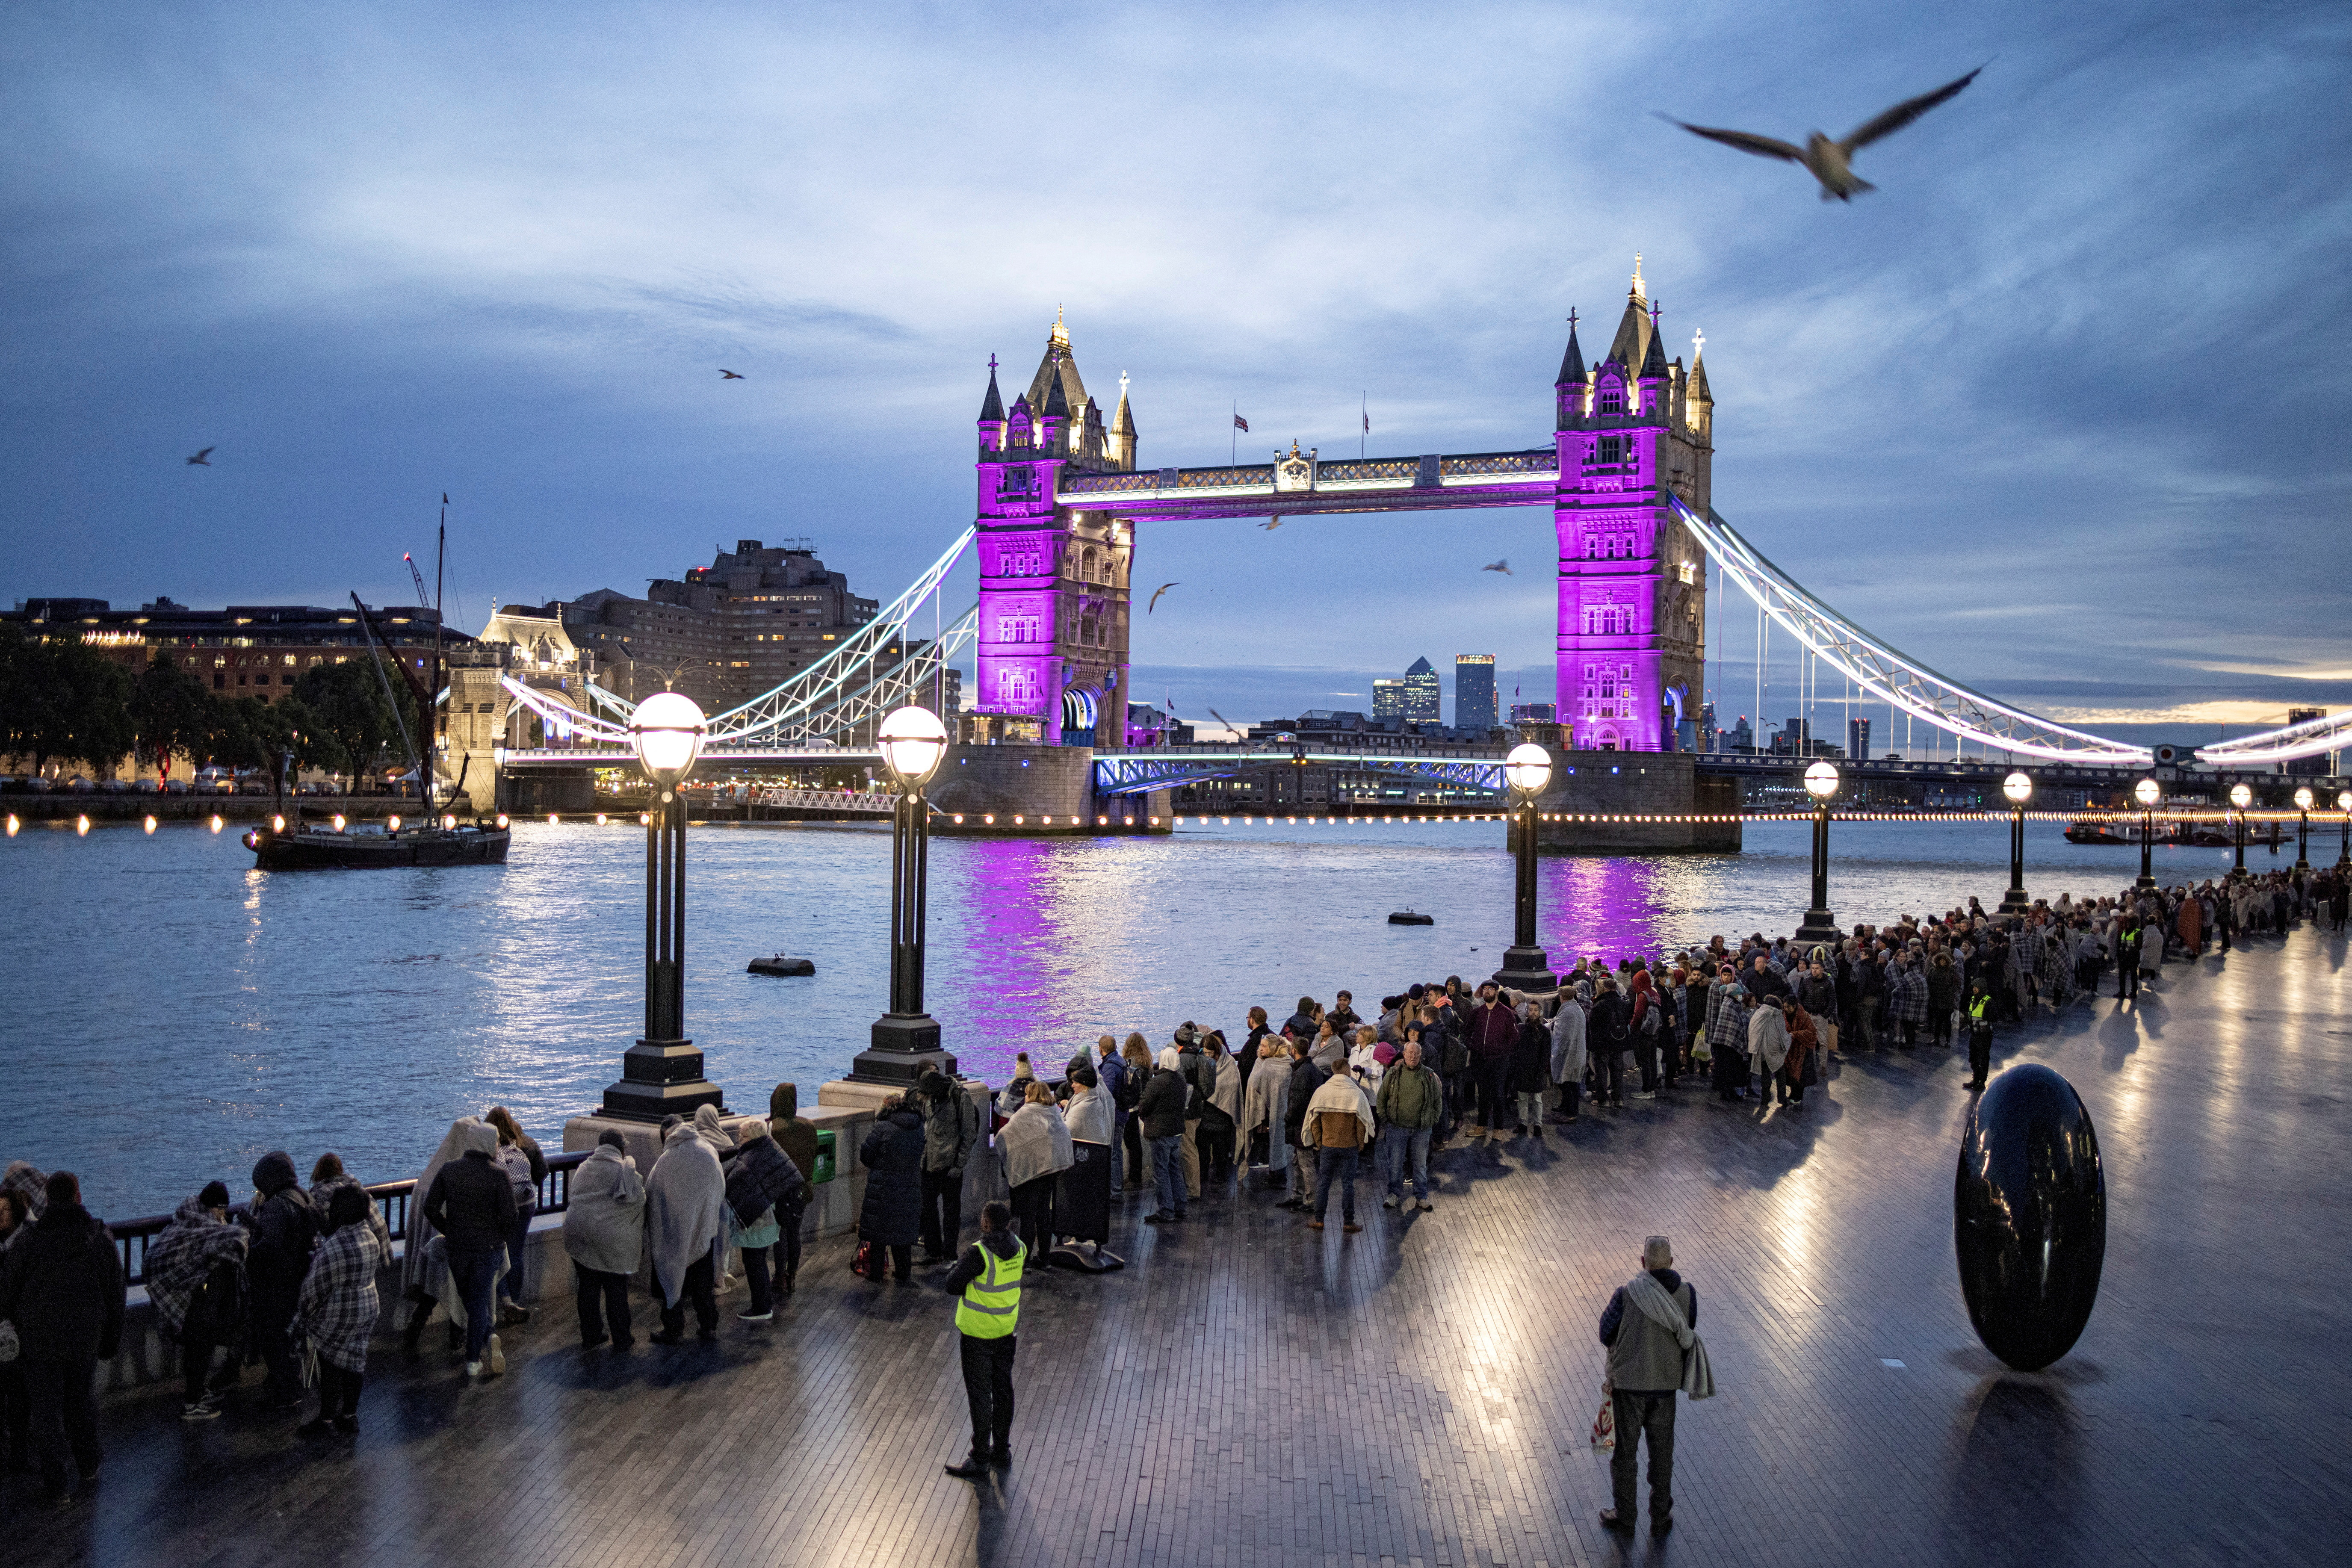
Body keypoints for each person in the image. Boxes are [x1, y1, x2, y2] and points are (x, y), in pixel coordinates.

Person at [0, 1172, 124, 1507]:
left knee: (46, 1412)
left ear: (47, 1199)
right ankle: (88, 1465)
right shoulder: (99, 1237)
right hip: (85, 1338)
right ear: (78, 1196)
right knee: (80, 1402)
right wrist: (110, 1339)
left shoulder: (29, 1242)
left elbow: (8, 1293)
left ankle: (57, 1486)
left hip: (38, 1343)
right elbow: (116, 1293)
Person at [1598, 1236, 1701, 1538]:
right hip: (1665, 1389)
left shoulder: (1626, 1293)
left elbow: (1606, 1331)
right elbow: (1689, 1328)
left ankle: (1625, 1515)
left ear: (1643, 1263)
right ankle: (1660, 1516)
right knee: (1662, 1454)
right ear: (1671, 1262)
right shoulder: (1687, 1295)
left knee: (1625, 1455)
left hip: (1629, 1389)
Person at [144, 1180, 248, 1420]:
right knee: (199, 1351)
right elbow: (227, 1243)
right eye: (222, 1209)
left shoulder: (181, 1223)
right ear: (214, 1207)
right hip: (196, 1303)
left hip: (187, 1301)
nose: (224, 1215)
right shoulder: (203, 1229)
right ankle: (193, 1404)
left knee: (197, 1351)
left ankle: (196, 1397)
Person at [420, 1120, 515, 1377]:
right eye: (495, 1142)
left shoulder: (449, 1170)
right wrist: (498, 1236)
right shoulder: (498, 1175)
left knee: (471, 1301)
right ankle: (474, 1357)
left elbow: (430, 1208)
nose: (497, 1146)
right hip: (489, 1248)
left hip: (458, 1247)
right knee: (480, 1300)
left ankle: (485, 1341)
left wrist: (449, 1229)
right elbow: (511, 1217)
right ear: (488, 1144)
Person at [942, 1200, 1024, 1479]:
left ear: (986, 1223)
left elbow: (953, 1285)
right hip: (1006, 1329)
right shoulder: (1020, 1248)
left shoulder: (979, 1253)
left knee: (980, 1395)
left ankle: (980, 1458)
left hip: (978, 1333)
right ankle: (1002, 1450)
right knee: (1003, 1390)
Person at [294, 1184, 383, 1437]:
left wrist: (303, 1314)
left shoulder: (335, 1247)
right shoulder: (370, 1237)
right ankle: (350, 1416)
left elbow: (313, 1290)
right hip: (367, 1309)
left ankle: (326, 1420)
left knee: (330, 1361)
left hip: (340, 1314)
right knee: (356, 1362)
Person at [241, 1150, 319, 1411]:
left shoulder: (276, 1205)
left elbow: (270, 1248)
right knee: (288, 1338)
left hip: (276, 1284)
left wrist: (247, 1252)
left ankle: (284, 1390)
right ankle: (288, 1383)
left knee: (272, 1337)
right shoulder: (304, 1197)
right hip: (300, 1277)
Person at [563, 1129, 645, 1349]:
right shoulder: (624, 1171)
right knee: (615, 1290)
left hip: (578, 1234)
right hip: (611, 1242)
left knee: (588, 1288)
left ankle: (591, 1336)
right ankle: (622, 1339)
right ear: (621, 1148)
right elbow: (639, 1201)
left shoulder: (584, 1167)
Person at [401, 1118, 479, 1350]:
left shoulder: (430, 1175)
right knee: (461, 1290)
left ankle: (413, 1333)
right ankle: (457, 1335)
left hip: (433, 1246)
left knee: (430, 1290)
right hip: (458, 1246)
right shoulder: (463, 1175)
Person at [647, 1120, 727, 1339]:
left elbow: (653, 1193)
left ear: (669, 1135)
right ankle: (709, 1326)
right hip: (703, 1232)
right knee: (703, 1285)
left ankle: (673, 1330)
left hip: (674, 1235)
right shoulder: (708, 1152)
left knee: (672, 1281)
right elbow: (719, 1189)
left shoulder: (666, 1161)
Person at [725, 1118, 808, 1322]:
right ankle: (763, 1304)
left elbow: (736, 1181)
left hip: (759, 1222)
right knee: (758, 1261)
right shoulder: (769, 1148)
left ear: (751, 1137)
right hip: (770, 1219)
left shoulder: (752, 1159)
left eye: (742, 1136)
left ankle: (762, 1308)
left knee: (754, 1263)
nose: (739, 1139)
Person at [854, 1092, 926, 1283]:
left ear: (885, 1108)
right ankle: (904, 1274)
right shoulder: (918, 1127)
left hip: (883, 1188)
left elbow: (866, 1156)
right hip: (910, 1186)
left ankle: (876, 1273)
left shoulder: (882, 1128)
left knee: (879, 1233)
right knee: (902, 1232)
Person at [483, 1107, 546, 1326]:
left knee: (498, 1251)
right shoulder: (527, 1143)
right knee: (516, 1252)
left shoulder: (488, 1145)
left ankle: (504, 1300)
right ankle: (516, 1301)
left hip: (498, 1208)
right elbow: (542, 1173)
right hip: (525, 1206)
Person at [1302, 1051, 1376, 1233]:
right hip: (1349, 1146)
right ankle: (1348, 1222)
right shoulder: (1356, 1094)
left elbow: (1314, 1122)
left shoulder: (1322, 1092)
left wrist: (1319, 1142)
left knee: (1324, 1183)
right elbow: (1361, 1123)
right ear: (1347, 1072)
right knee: (1348, 1184)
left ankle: (1319, 1220)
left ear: (1334, 1071)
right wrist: (1360, 1143)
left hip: (1328, 1145)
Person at [999, 1081, 1075, 1251]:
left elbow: (1004, 1136)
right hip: (1050, 1170)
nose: (1025, 1097)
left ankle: (1025, 1260)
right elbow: (1063, 1135)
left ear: (1031, 1096)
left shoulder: (1025, 1113)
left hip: (1032, 1172)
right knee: (1044, 1214)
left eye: (1027, 1094)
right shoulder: (1053, 1112)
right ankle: (1045, 1257)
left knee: (1028, 1217)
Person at [916, 1069, 981, 1265]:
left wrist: (959, 1165)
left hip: (950, 1166)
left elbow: (969, 1133)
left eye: (926, 1095)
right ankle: (933, 1250)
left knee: (951, 1212)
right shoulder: (931, 1098)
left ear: (934, 1090)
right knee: (927, 1207)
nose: (924, 1098)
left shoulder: (960, 1096)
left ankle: (950, 1254)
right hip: (929, 1163)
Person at [1376, 1038, 1442, 1211]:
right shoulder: (1393, 1074)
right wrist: (1385, 1119)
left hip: (1421, 1130)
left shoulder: (1429, 1076)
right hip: (1397, 1128)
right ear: (1404, 1054)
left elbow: (1437, 1101)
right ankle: (1393, 1195)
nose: (1413, 1056)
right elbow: (1381, 1098)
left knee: (1420, 1165)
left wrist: (1432, 1121)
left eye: (1416, 1054)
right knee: (1395, 1164)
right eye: (1410, 1053)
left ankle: (1421, 1197)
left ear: (1421, 1056)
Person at [1137, 1046, 1191, 1225]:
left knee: (1161, 1172)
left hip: (1160, 1132)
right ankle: (1180, 1206)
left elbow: (1144, 1106)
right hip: (1176, 1131)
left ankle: (1166, 1210)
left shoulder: (1157, 1082)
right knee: (1175, 1169)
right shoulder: (1181, 1080)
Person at [1279, 1037, 1327, 1211]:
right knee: (1298, 1161)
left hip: (1301, 1124)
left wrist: (1288, 1118)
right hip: (1307, 1122)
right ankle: (1298, 1195)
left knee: (1306, 1164)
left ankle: (1310, 1200)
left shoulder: (1301, 1072)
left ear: (1293, 1051)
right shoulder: (1313, 1069)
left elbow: (1297, 1100)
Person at [1240, 1033, 1293, 1189]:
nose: (1261, 1049)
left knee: (1277, 1141)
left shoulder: (1283, 1064)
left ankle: (1279, 1175)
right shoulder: (1260, 1062)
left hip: (1276, 1110)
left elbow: (1272, 1086)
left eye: (1264, 1047)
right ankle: (1274, 1173)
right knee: (1269, 1141)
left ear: (1274, 1049)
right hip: (1262, 1111)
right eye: (1260, 1046)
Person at [0, 1189, 27, 1466]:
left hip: (17, 1333)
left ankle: (19, 1453)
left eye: (5, 1210)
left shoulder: (22, 1246)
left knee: (18, 1397)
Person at [1510, 1001, 1552, 1135]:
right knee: (1524, 1098)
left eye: (1536, 1010)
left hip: (1535, 1069)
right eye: (1531, 1010)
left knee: (1536, 1099)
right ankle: (1525, 1123)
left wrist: (1541, 1070)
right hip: (1523, 1069)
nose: (1533, 1012)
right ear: (1527, 1012)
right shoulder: (1522, 1028)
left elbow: (1546, 1053)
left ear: (1540, 1012)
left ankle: (1536, 1125)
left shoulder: (1543, 1031)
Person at [1119, 1034, 1154, 1189]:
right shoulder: (1147, 1062)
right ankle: (1136, 1176)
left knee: (1131, 1142)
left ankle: (1134, 1178)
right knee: (1136, 1143)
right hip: (1142, 1103)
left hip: (1132, 1106)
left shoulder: (1130, 1063)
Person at [1549, 991, 1588, 1123]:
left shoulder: (1567, 1012)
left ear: (1562, 997)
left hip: (1570, 1054)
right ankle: (1565, 1106)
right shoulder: (1577, 1009)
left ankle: (1571, 1114)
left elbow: (1561, 1034)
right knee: (1570, 1082)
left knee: (1569, 1083)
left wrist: (1552, 1026)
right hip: (1577, 1052)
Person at [1062, 1064, 1114, 1146]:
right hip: (1096, 1150)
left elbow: (1066, 1131)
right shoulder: (1096, 1100)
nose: (1072, 1086)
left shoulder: (1081, 1109)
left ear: (1084, 1085)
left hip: (1084, 1153)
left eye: (1076, 1082)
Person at [1965, 980, 1997, 1090]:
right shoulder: (1973, 999)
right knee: (1973, 1058)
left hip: (1985, 1035)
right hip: (1974, 1034)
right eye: (1974, 987)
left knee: (1983, 1058)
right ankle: (1976, 1079)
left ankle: (1982, 1082)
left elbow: (1994, 1017)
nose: (1975, 989)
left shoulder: (1988, 1001)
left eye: (1977, 987)